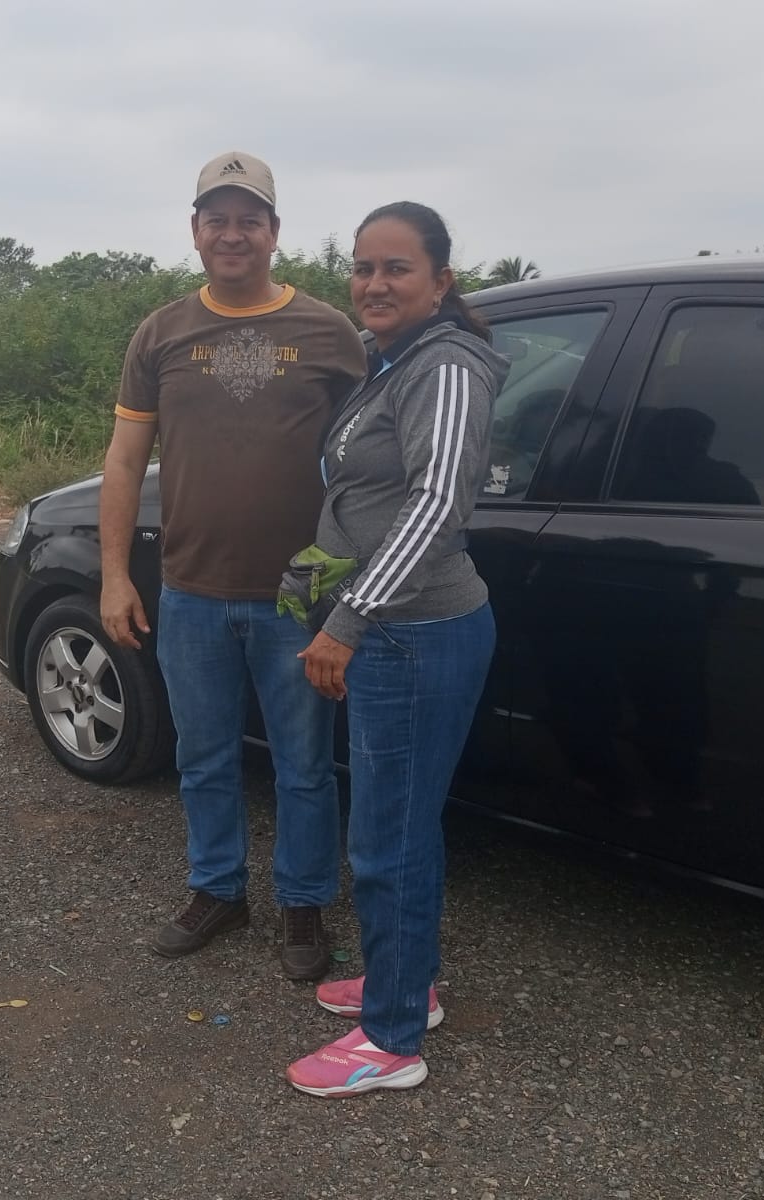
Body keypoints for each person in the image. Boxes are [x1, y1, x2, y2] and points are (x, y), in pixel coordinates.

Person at [99, 151, 367, 980]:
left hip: (299, 597)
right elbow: (123, 460)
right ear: (195, 231)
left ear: (274, 232)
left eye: (249, 219)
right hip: (190, 592)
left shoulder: (329, 333)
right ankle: (217, 889)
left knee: (303, 767)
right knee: (203, 757)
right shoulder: (162, 333)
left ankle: (303, 903)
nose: (232, 233)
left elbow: (368, 463)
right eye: (217, 218)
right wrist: (115, 574)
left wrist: (353, 580)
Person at [282, 202, 509, 1096]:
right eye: (363, 267)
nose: (374, 284)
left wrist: (348, 620)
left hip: (413, 634)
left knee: (388, 837)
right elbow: (368, 496)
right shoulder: (397, 359)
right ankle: (406, 981)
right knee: (400, 824)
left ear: (440, 281)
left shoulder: (444, 367)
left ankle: (392, 1039)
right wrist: (316, 574)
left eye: (397, 268)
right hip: (393, 629)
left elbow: (436, 504)